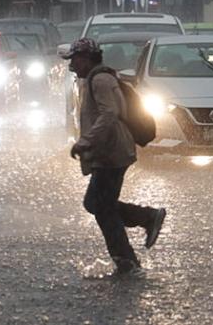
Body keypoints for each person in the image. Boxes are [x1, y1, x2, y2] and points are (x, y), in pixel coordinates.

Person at [62, 38, 166, 276]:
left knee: (102, 207)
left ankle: (130, 251)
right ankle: (131, 248)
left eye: (75, 60)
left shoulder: (100, 80)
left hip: (112, 152)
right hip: (109, 151)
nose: (72, 65)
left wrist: (85, 142)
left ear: (87, 59)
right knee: (98, 204)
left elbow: (110, 114)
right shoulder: (98, 78)